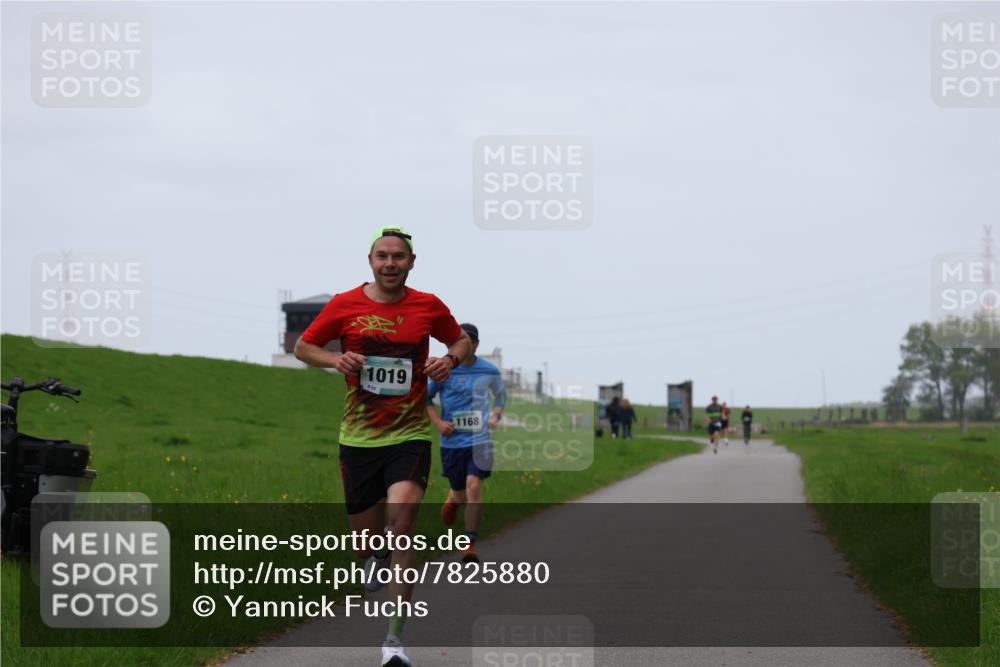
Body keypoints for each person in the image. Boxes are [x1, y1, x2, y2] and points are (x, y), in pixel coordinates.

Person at [294, 226, 473, 667]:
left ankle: (394, 642)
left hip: (409, 434)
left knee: (404, 520)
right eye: (382, 256)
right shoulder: (344, 304)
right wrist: (336, 359)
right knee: (367, 538)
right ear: (370, 261)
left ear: (412, 262)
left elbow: (462, 340)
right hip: (357, 436)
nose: (390, 263)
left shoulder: (428, 305)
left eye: (399, 256)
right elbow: (304, 347)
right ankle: (372, 554)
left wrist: (448, 360)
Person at [427, 323, 507, 564]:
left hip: (480, 440)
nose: (464, 345)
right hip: (452, 442)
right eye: (458, 341)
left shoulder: (489, 370)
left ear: (475, 344)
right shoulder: (444, 369)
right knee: (462, 494)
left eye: (469, 341)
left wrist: (496, 414)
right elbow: (426, 398)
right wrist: (439, 423)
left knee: (474, 487)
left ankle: (469, 544)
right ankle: (453, 497)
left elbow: (501, 395)